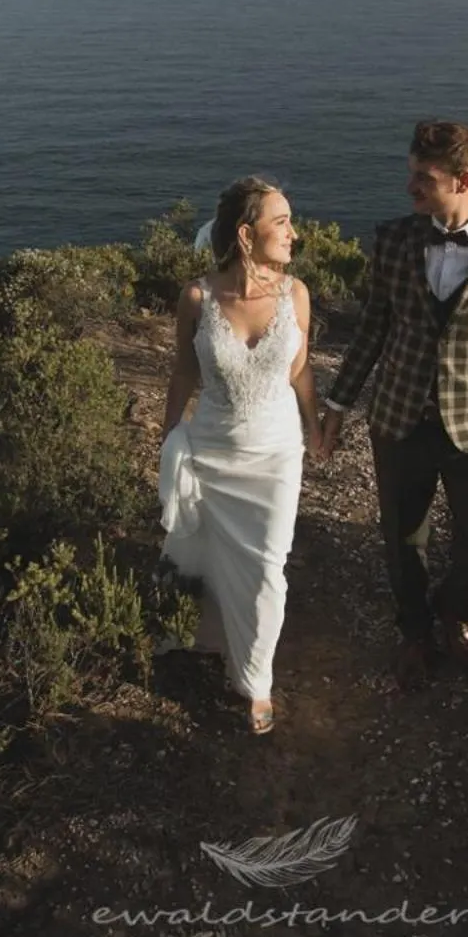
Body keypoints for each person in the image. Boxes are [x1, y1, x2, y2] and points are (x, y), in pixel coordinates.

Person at [316, 121, 468, 688]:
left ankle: (453, 608)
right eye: (411, 173)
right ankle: (416, 631)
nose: (410, 187)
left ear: (463, 180)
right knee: (403, 540)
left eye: (424, 178)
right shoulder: (394, 239)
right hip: (399, 418)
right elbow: (372, 328)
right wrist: (338, 404)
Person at [159, 177, 324, 733]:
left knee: (267, 567)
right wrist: (167, 437)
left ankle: (256, 681)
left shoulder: (295, 294)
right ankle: (212, 636)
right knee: (209, 550)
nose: (294, 233)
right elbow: (183, 370)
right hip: (211, 449)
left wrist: (315, 425)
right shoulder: (197, 298)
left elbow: (299, 368)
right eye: (283, 223)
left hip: (277, 453)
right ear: (247, 234)